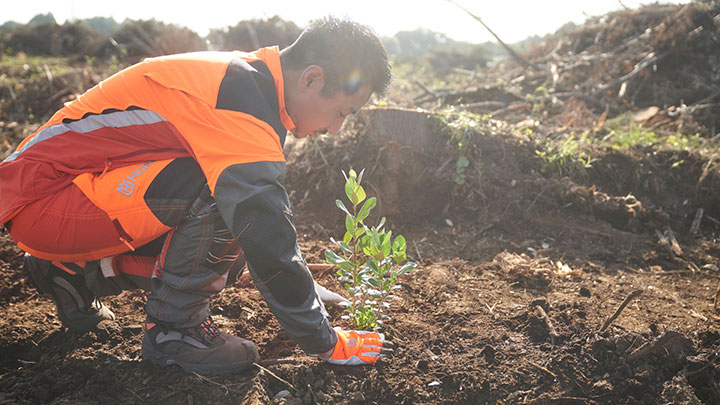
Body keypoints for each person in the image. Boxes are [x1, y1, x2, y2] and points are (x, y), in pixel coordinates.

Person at [0, 16, 394, 376]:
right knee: (227, 202)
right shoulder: (241, 99)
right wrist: (324, 340)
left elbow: (261, 233)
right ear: (311, 79)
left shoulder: (247, 80)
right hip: (48, 200)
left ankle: (74, 273)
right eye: (342, 112)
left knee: (228, 239)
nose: (335, 130)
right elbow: (265, 228)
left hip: (63, 199)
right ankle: (177, 333)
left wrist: (302, 286)